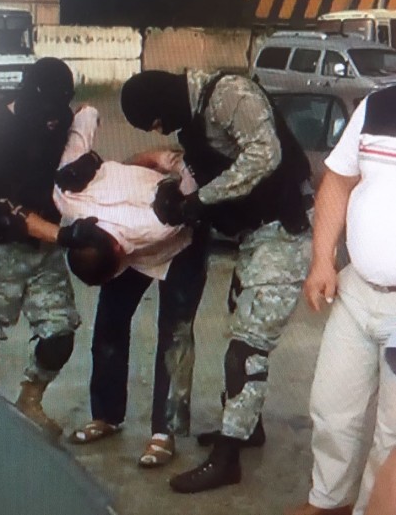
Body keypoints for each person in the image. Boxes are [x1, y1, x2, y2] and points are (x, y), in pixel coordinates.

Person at [120, 69, 313, 492]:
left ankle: (227, 460)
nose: (159, 130)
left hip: (284, 231)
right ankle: (247, 428)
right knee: (240, 329)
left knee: (247, 347)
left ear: (163, 101)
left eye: (155, 121)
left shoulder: (229, 95)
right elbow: (206, 167)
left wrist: (199, 201)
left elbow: (264, 155)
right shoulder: (195, 118)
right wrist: (176, 192)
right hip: (255, 236)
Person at [26, 104, 209, 468]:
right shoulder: (68, 196)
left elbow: (192, 189)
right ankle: (106, 415)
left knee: (174, 335)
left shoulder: (159, 222)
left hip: (181, 246)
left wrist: (163, 160)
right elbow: (85, 116)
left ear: (119, 252)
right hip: (121, 237)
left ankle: (164, 433)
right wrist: (77, 114)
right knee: (109, 324)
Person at [0, 57, 99, 439]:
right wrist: (63, 236)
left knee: (60, 333)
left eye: (60, 107)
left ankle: (30, 401)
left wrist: (83, 163)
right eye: (47, 108)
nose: (53, 118)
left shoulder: (59, 116)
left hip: (42, 250)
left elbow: (83, 118)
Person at [286, 86, 396, 515]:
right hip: (357, 290)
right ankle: (329, 502)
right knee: (331, 408)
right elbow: (338, 181)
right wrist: (322, 260)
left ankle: (371, 509)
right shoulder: (379, 104)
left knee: (392, 433)